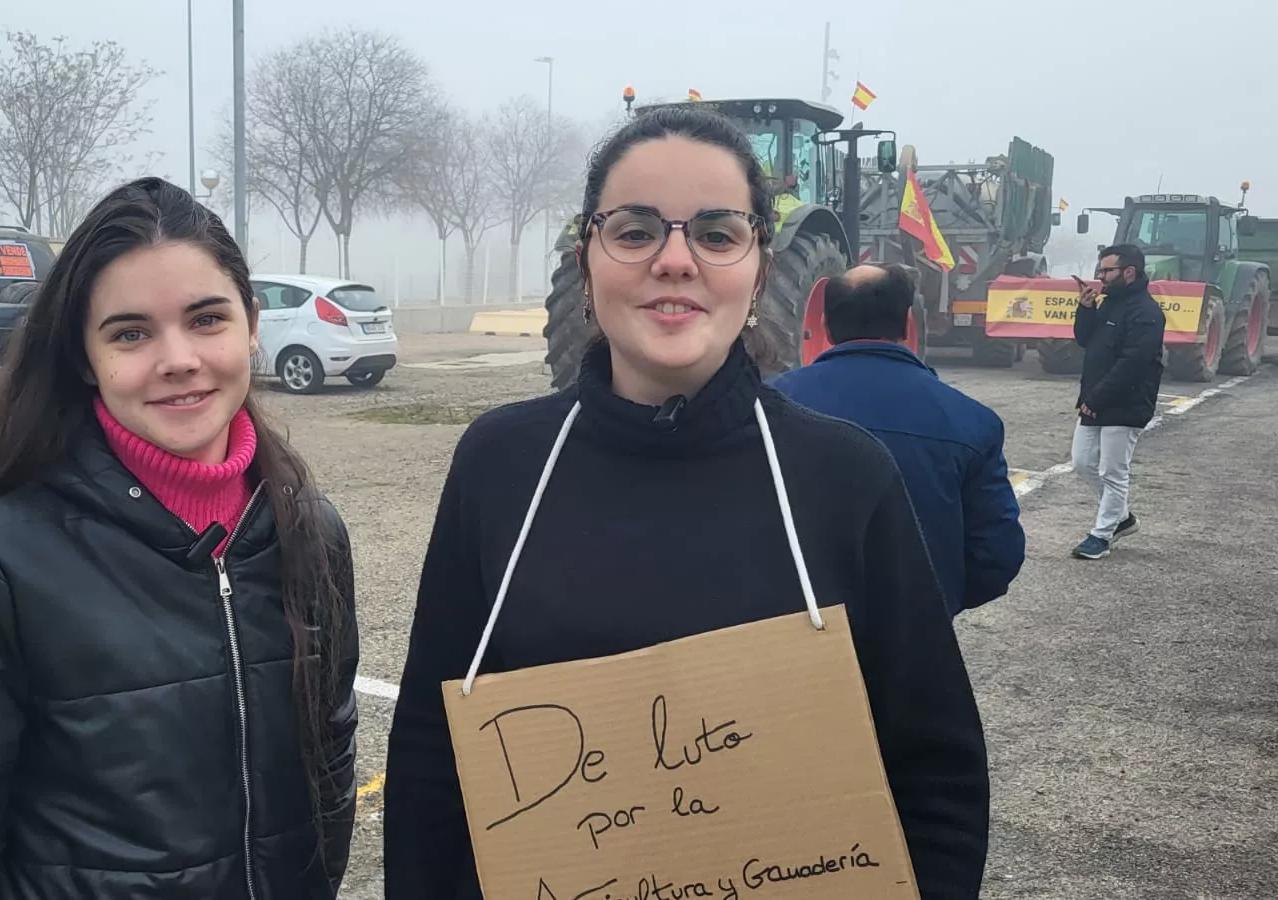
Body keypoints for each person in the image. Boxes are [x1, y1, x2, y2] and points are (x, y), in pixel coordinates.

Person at [382, 106, 989, 899]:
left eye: (716, 233)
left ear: (760, 269)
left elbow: (936, 777)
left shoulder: (847, 479)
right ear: (586, 259)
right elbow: (432, 752)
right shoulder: (500, 464)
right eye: (635, 231)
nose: (675, 260)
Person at [0, 177, 360, 899]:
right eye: (131, 333)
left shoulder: (311, 532)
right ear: (84, 357)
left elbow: (330, 761)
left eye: (207, 319)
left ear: (251, 324)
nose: (178, 358)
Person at [772, 262, 1025, 615]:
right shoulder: (972, 421)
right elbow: (997, 553)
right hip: (918, 626)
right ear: (908, 323)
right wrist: (939, 601)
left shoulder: (768, 404)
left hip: (799, 627)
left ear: (826, 326)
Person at [1070, 242, 1165, 560]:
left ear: (1129, 272)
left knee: (1113, 471)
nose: (1100, 277)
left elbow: (1133, 364)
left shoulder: (1147, 313)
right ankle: (1121, 516)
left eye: (1107, 271)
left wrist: (1097, 398)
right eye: (1100, 270)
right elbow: (1085, 340)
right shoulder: (1108, 304)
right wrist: (1086, 309)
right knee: (1082, 462)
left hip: (1126, 403)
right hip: (1095, 399)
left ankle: (1101, 535)